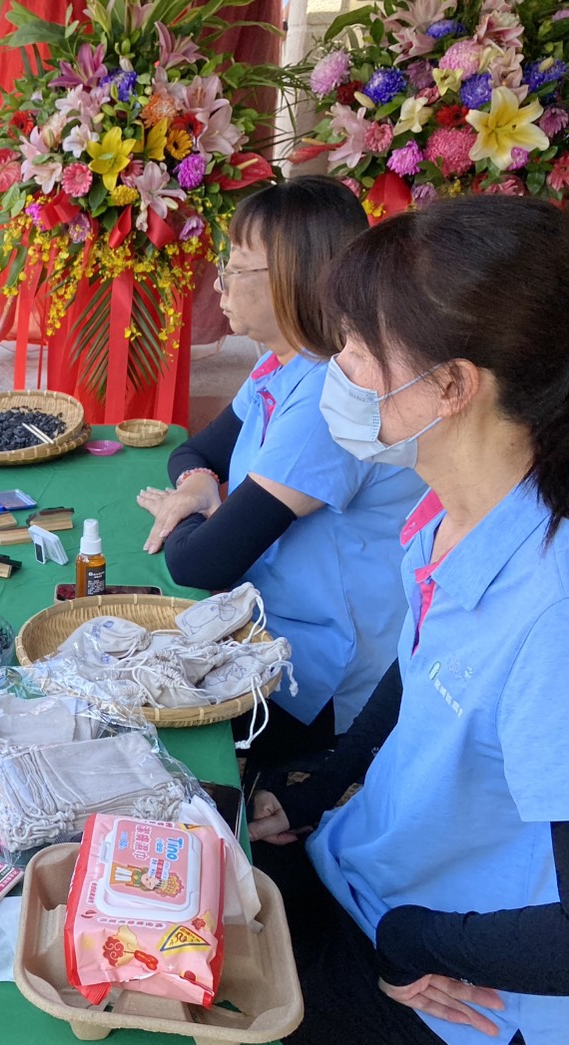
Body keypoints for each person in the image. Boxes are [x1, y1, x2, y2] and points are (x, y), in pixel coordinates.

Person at [246, 195, 569, 1045]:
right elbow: (422, 667)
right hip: (377, 876)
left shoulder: (554, 611)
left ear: (452, 385)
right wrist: (323, 777)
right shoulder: (449, 512)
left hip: (469, 988)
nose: (335, 371)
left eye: (355, 350)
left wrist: (415, 939)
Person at [135, 177, 422, 768]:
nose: (219, 283)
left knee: (149, 739)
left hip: (317, 674)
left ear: (297, 277)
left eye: (237, 267)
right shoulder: (282, 363)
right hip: (267, 632)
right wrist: (197, 489)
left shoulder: (329, 389)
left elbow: (200, 562)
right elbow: (196, 454)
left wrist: (205, 513)